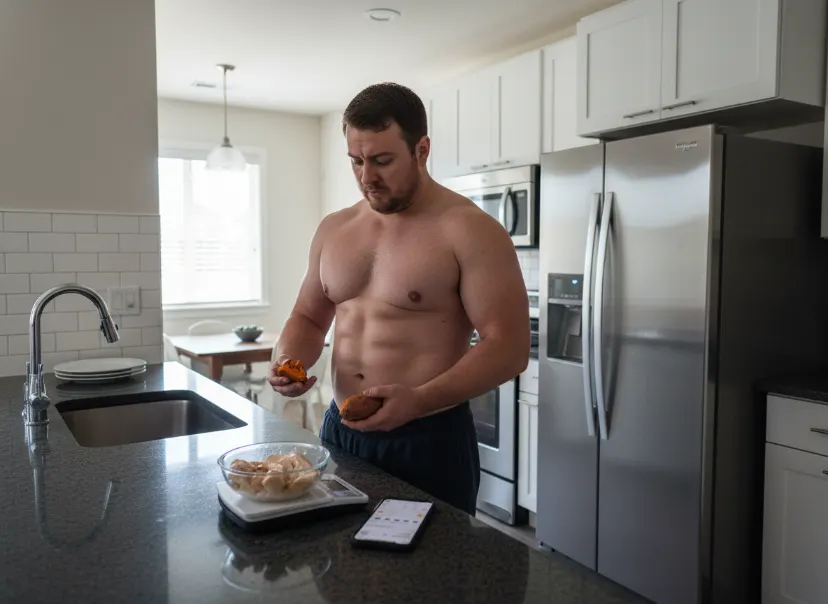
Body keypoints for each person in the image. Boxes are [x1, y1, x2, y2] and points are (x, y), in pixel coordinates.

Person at [268, 82, 530, 515]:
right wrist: (287, 360)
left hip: (427, 438)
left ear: (421, 149)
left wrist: (420, 400)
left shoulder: (469, 230)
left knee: (426, 577)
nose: (367, 177)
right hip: (340, 432)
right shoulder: (335, 229)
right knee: (339, 569)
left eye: (382, 161)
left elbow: (509, 347)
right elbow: (309, 317)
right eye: (356, 161)